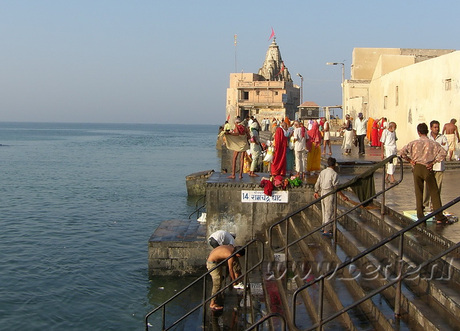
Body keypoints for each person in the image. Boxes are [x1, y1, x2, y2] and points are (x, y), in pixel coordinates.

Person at [399, 123, 448, 224]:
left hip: (417, 167)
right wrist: (434, 162)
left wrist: (410, 160)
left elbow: (402, 153)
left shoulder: (413, 143)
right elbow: (443, 153)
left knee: (419, 192)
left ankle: (420, 215)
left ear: (419, 132)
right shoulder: (432, 143)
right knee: (434, 191)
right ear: (427, 131)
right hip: (427, 167)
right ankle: (439, 215)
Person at [313, 157, 348, 236]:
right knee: (329, 212)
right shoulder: (334, 174)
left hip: (322, 192)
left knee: (324, 210)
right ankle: (327, 230)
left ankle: (323, 227)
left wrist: (316, 191)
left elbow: (318, 182)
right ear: (334, 165)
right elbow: (336, 187)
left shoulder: (323, 172)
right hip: (329, 193)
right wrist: (343, 196)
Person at [207, 245, 245, 310]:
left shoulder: (233, 248)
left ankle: (239, 282)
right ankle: (212, 304)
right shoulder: (230, 254)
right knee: (217, 283)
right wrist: (233, 281)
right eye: (240, 256)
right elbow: (230, 269)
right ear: (238, 253)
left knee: (235, 262)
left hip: (218, 260)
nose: (240, 257)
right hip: (212, 263)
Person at [423, 120, 448, 211]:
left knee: (437, 186)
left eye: (437, 127)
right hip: (428, 166)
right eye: (435, 127)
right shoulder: (427, 138)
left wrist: (434, 159)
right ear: (431, 128)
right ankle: (424, 204)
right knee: (427, 186)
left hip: (439, 166)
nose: (437, 129)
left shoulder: (443, 138)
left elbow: (444, 151)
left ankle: (434, 205)